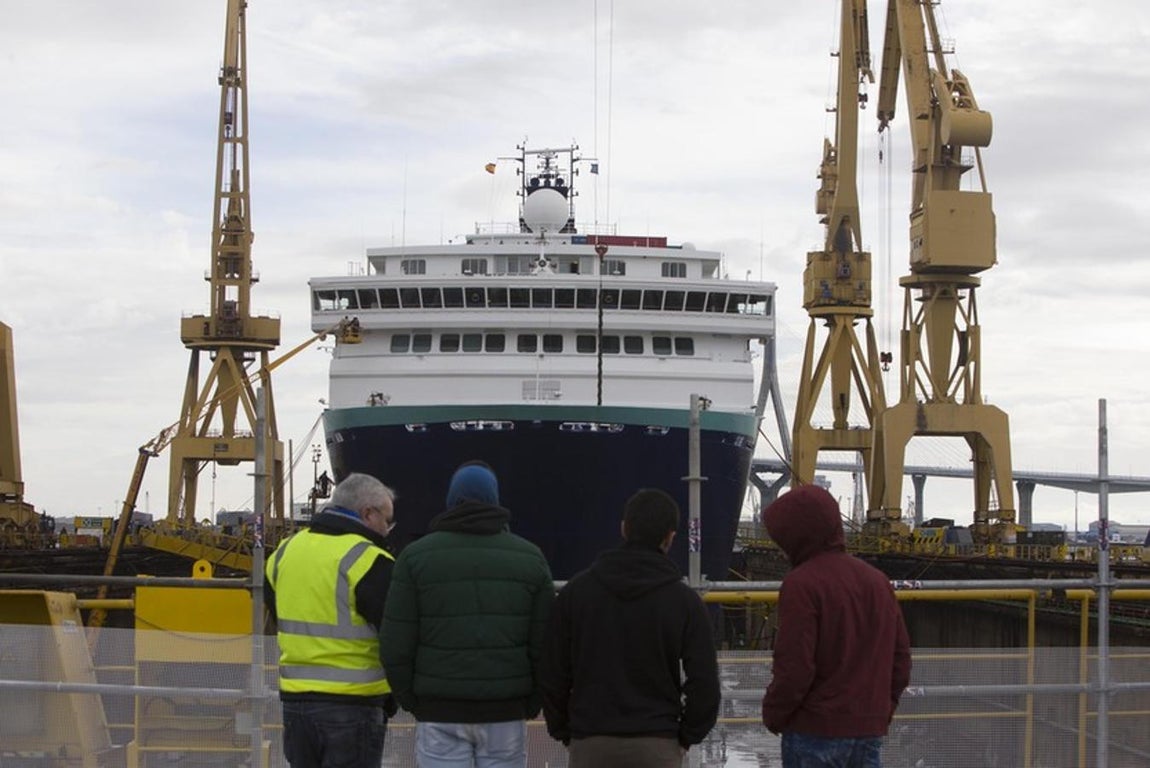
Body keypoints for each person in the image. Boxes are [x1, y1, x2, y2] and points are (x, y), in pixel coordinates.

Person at [380, 460, 554, 768]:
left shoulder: (414, 558)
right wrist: (531, 701)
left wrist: (414, 701)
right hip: (505, 711)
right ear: (495, 499)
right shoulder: (531, 557)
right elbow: (545, 644)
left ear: (451, 500)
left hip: (439, 710)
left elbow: (395, 644)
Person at [540, 488, 720, 767]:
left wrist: (564, 730)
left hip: (591, 741)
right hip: (658, 743)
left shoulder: (576, 593)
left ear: (624, 528)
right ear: (670, 537)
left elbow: (553, 671)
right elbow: (705, 682)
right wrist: (686, 736)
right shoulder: (685, 602)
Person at [761, 484, 912, 768]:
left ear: (797, 536)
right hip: (868, 730)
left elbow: (795, 667)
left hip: (813, 730)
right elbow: (900, 659)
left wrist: (774, 714)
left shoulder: (801, 584)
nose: (781, 550)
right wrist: (881, 711)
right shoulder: (878, 581)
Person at [265, 472, 399, 768]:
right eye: (387, 520)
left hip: (296, 703)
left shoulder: (284, 552)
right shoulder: (370, 560)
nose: (388, 530)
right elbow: (395, 636)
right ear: (368, 514)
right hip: (354, 705)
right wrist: (394, 695)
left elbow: (278, 615)